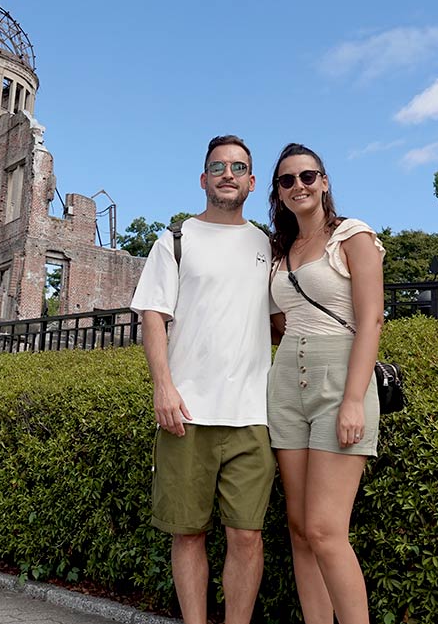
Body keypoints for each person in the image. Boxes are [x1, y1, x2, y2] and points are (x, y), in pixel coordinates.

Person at [131, 134, 274, 624]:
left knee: (247, 536)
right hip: (186, 412)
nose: (227, 174)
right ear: (203, 178)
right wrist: (163, 387)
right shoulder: (174, 239)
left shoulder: (268, 247)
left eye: (238, 167)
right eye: (218, 166)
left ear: (252, 182)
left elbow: (280, 321)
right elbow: (153, 316)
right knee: (187, 533)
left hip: (253, 415)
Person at [266, 143, 385, 624]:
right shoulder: (280, 252)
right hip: (285, 385)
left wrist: (354, 399)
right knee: (298, 527)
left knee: (325, 529)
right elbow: (278, 321)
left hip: (340, 379)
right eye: (287, 180)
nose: (299, 186)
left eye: (308, 177)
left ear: (325, 181)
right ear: (276, 191)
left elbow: (371, 318)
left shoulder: (352, 236)